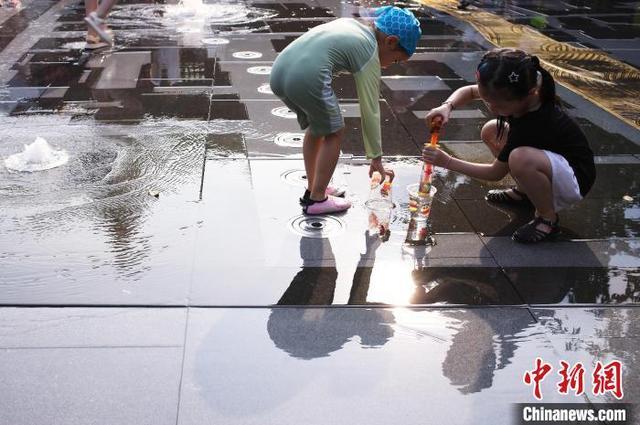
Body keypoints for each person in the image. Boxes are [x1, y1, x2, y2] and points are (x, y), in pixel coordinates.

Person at [422, 48, 596, 243]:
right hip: (552, 162)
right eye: (488, 101)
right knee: (491, 130)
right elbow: (470, 91)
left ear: (528, 95)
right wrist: (447, 106)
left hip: (575, 180)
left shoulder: (533, 122)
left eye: (499, 105)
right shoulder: (525, 87)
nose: (492, 108)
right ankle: (526, 193)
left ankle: (547, 217)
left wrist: (447, 161)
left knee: (520, 159)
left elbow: (494, 173)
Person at [270, 6, 421, 215]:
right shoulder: (369, 50)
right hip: (306, 78)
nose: (389, 65)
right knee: (335, 130)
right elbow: (370, 108)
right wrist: (376, 157)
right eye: (395, 59)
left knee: (317, 128)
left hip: (278, 73)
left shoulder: (354, 26)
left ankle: (314, 187)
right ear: (391, 41)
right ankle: (317, 199)